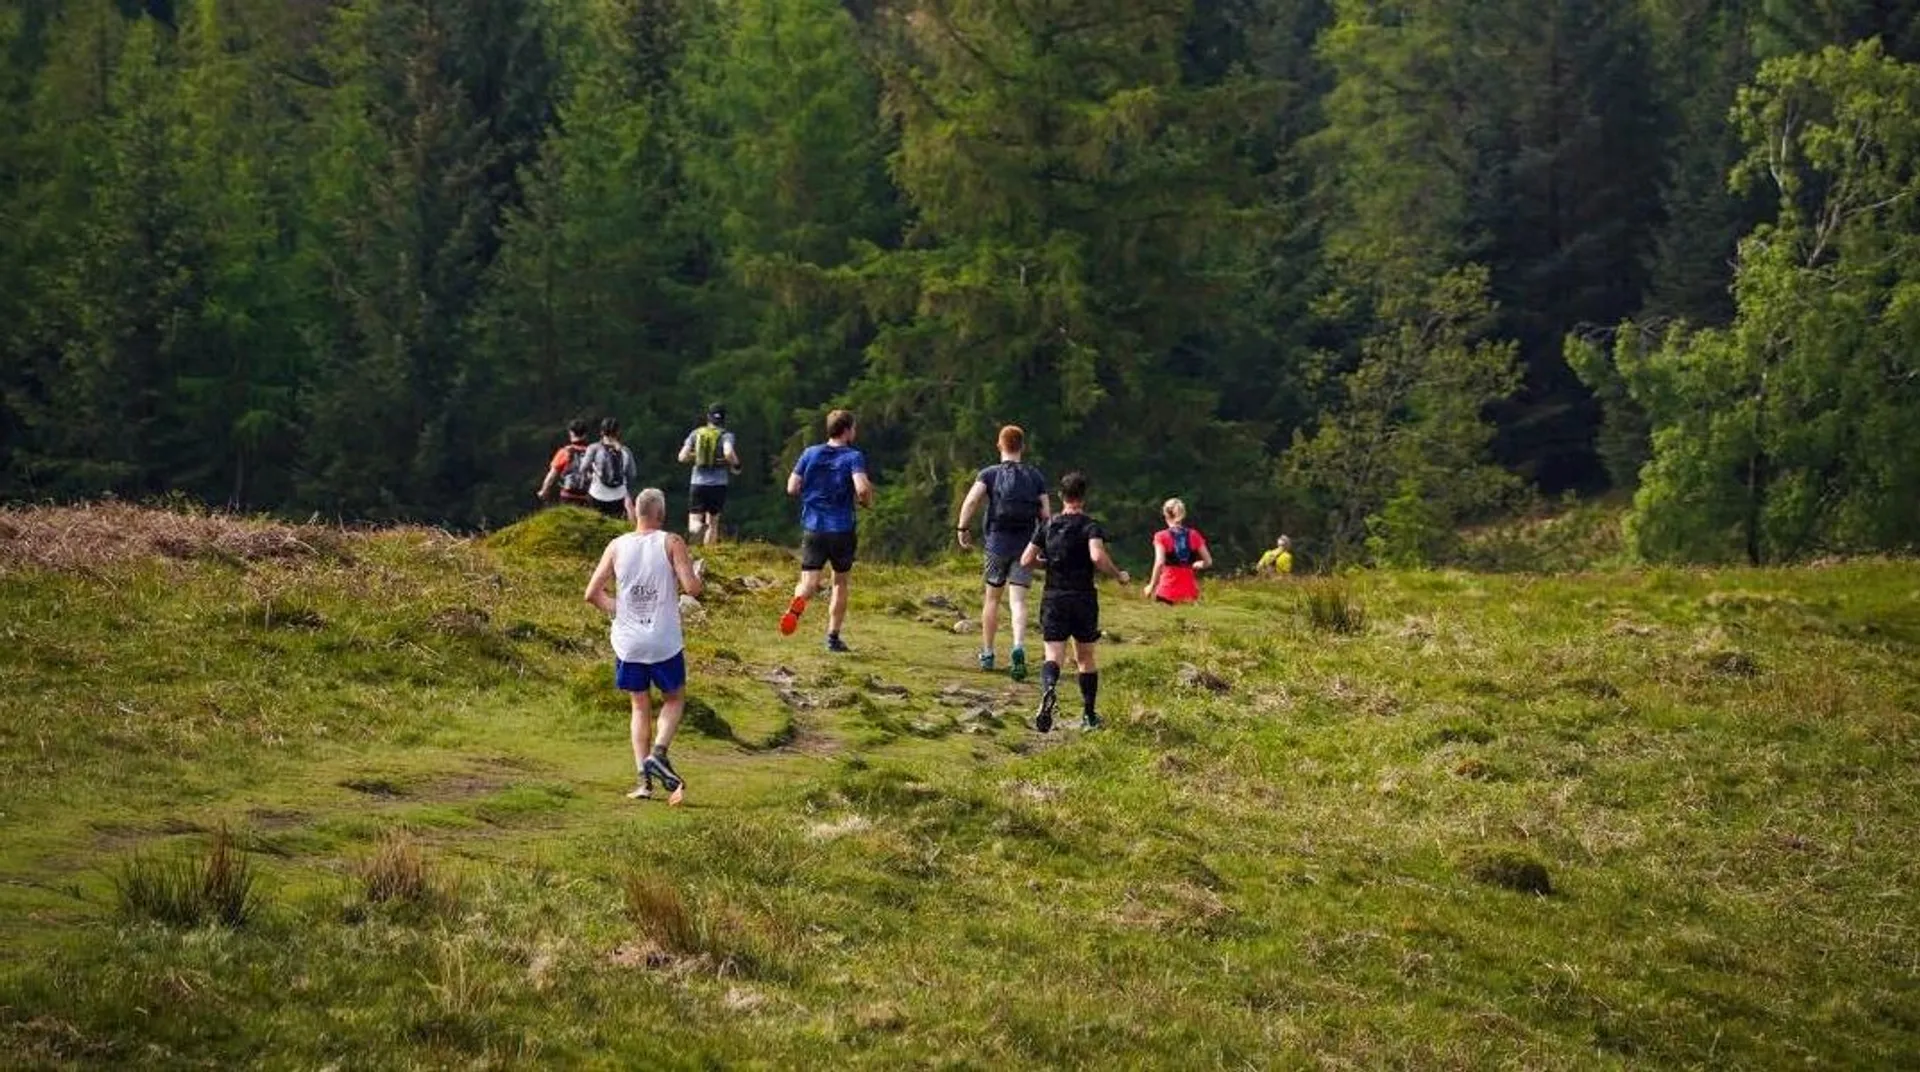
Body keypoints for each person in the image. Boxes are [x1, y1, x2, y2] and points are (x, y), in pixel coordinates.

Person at [584, 488, 704, 804]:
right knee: (674, 698)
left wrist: (618, 609)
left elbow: (591, 594)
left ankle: (642, 781)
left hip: (628, 642)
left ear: (637, 513)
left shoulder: (616, 545)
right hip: (663, 639)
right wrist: (697, 578)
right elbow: (692, 588)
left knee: (639, 706)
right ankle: (659, 753)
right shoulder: (671, 542)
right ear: (661, 515)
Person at [1020, 472, 1130, 732]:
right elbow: (1097, 557)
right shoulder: (1090, 526)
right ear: (1083, 497)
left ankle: (1049, 690)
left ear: (1061, 496)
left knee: (1054, 655)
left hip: (1054, 596)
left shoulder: (1048, 525)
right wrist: (1117, 574)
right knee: (1085, 657)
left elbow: (1026, 560)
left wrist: (1044, 563)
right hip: (1083, 597)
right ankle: (1089, 716)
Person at [955, 424, 1049, 679]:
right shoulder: (1035, 476)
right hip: (1025, 546)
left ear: (999, 445)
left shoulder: (989, 474)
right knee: (1018, 601)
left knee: (992, 599)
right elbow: (1046, 515)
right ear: (1022, 447)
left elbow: (972, 500)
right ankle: (1018, 646)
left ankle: (988, 652)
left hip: (996, 543)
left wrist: (963, 527)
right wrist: (1043, 545)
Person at [779, 409, 873, 651]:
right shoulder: (853, 456)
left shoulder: (810, 453)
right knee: (840, 582)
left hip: (814, 526)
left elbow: (791, 486)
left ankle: (797, 604)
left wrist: (811, 496)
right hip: (841, 528)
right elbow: (861, 488)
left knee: (809, 582)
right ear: (847, 430)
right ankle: (832, 637)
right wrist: (866, 502)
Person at [677, 404, 741, 546]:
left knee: (694, 520)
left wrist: (696, 457)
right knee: (713, 522)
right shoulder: (726, 435)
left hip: (698, 483)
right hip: (719, 484)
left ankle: (698, 530)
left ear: (708, 417)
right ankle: (708, 555)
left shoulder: (696, 434)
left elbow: (681, 457)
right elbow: (729, 452)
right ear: (724, 419)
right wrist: (736, 465)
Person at [1142, 497, 1212, 604]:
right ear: (1183, 514)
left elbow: (1160, 563)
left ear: (1165, 515)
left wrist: (1151, 586)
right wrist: (1199, 564)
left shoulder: (1161, 536)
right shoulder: (1194, 535)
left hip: (1166, 593)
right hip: (1189, 594)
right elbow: (1208, 562)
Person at [582, 418, 639, 523]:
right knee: (615, 523)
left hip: (597, 493)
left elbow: (583, 468)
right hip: (619, 494)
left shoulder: (594, 448)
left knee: (595, 523)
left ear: (601, 432)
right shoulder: (625, 451)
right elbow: (632, 474)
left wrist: (590, 476)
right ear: (618, 432)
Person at [536, 418, 594, 507]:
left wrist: (544, 491)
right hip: (586, 496)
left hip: (568, 495)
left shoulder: (564, 452)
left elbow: (552, 475)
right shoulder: (593, 452)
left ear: (571, 433)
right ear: (586, 434)